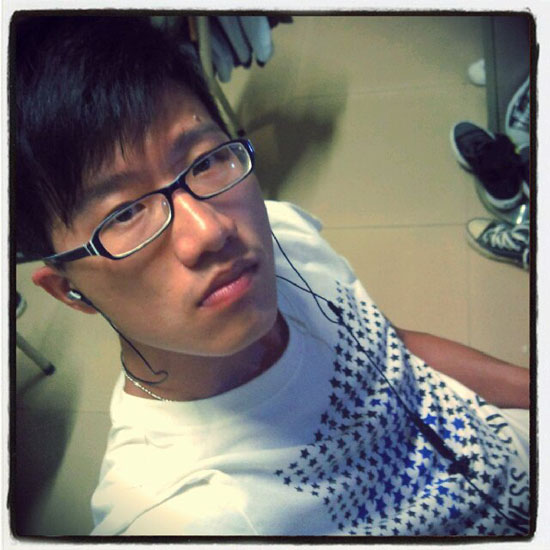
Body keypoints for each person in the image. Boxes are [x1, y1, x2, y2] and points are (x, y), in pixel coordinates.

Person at [15, 15, 530, 537]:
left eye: (204, 161)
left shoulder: (279, 234)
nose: (211, 230)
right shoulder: (188, 514)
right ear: (69, 290)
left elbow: (390, 351)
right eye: (125, 214)